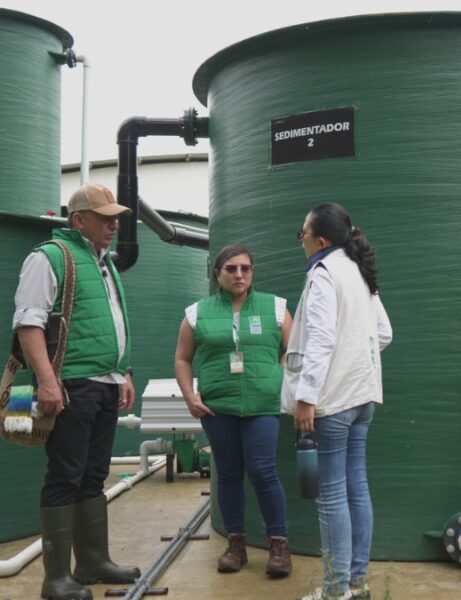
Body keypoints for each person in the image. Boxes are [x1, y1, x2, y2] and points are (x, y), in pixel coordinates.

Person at [13, 183, 140, 600]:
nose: (114, 225)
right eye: (105, 218)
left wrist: (124, 374)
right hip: (71, 386)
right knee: (65, 476)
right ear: (78, 220)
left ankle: (92, 561)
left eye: (116, 217)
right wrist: (48, 381)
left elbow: (109, 324)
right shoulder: (50, 257)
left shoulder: (103, 262)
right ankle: (56, 579)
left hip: (104, 384)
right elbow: (29, 323)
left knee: (93, 475)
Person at [282, 203, 392, 600]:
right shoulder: (359, 271)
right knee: (356, 488)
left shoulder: (324, 272)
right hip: (362, 398)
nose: (302, 241)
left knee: (331, 494)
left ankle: (334, 590)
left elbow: (323, 339)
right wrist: (354, 360)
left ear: (320, 241)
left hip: (332, 401)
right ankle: (356, 583)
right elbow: (384, 333)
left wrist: (306, 397)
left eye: (303, 234)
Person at [174, 244, 293, 577]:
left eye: (245, 268)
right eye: (231, 268)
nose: (239, 274)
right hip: (217, 406)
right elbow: (182, 359)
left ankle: (278, 545)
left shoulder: (276, 307)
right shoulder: (196, 313)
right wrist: (189, 395)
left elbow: (295, 349)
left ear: (252, 271)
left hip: (262, 404)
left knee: (262, 471)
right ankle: (236, 545)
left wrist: (279, 375)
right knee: (227, 474)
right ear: (218, 274)